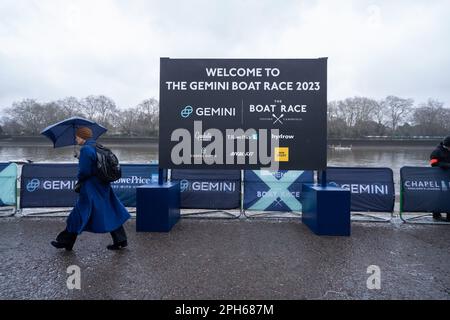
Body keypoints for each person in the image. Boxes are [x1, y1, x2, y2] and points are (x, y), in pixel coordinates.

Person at [51, 127, 131, 251]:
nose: (75, 139)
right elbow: (95, 165)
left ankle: (65, 241)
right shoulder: (97, 146)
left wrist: (80, 172)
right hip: (103, 185)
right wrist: (80, 158)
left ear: (82, 137)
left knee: (79, 213)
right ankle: (121, 240)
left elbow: (85, 171)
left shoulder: (86, 150)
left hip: (90, 187)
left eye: (77, 137)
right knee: (109, 210)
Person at [429, 136, 450, 221]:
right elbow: (433, 163)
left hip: (448, 177)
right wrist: (447, 165)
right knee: (440, 195)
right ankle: (436, 215)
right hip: (440, 176)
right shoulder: (436, 151)